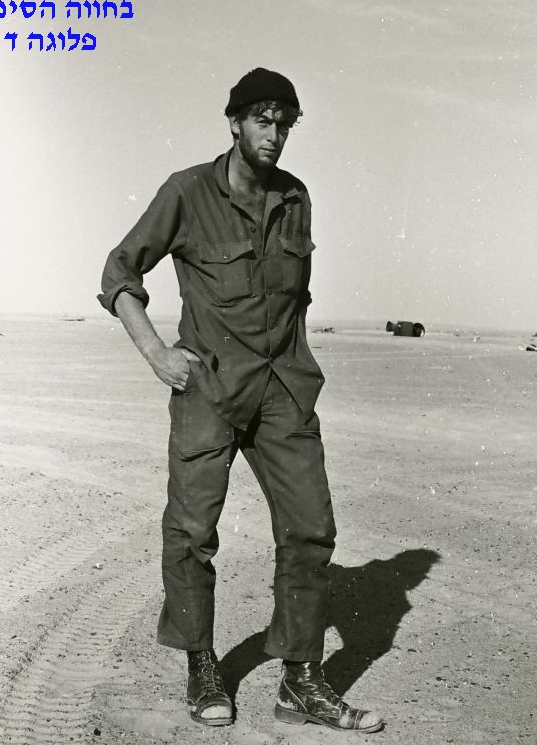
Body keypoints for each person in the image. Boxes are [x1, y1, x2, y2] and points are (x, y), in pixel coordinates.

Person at [98, 68, 383, 733]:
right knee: (192, 533)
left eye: (284, 122)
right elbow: (119, 272)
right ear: (234, 123)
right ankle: (201, 664)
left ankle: (301, 682)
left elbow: (292, 298)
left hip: (283, 389)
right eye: (261, 119)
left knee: (310, 530)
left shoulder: (295, 196)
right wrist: (157, 354)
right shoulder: (186, 191)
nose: (273, 134)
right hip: (210, 387)